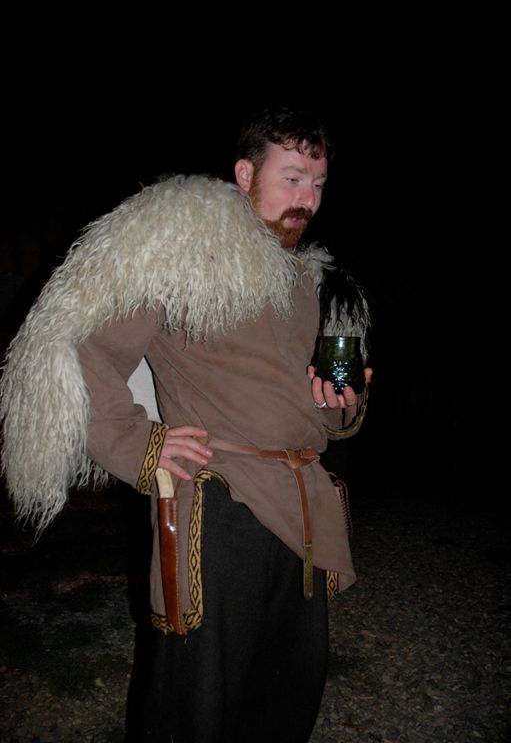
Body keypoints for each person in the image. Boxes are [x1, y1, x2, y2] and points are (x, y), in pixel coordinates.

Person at [0, 107, 372, 743]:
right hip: (220, 503)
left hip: (300, 503)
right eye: (291, 178)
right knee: (198, 696)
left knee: (288, 684)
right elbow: (86, 349)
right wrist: (139, 444)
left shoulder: (305, 283)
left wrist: (338, 404)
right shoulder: (185, 253)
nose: (306, 199)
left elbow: (302, 406)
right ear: (245, 174)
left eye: (317, 183)